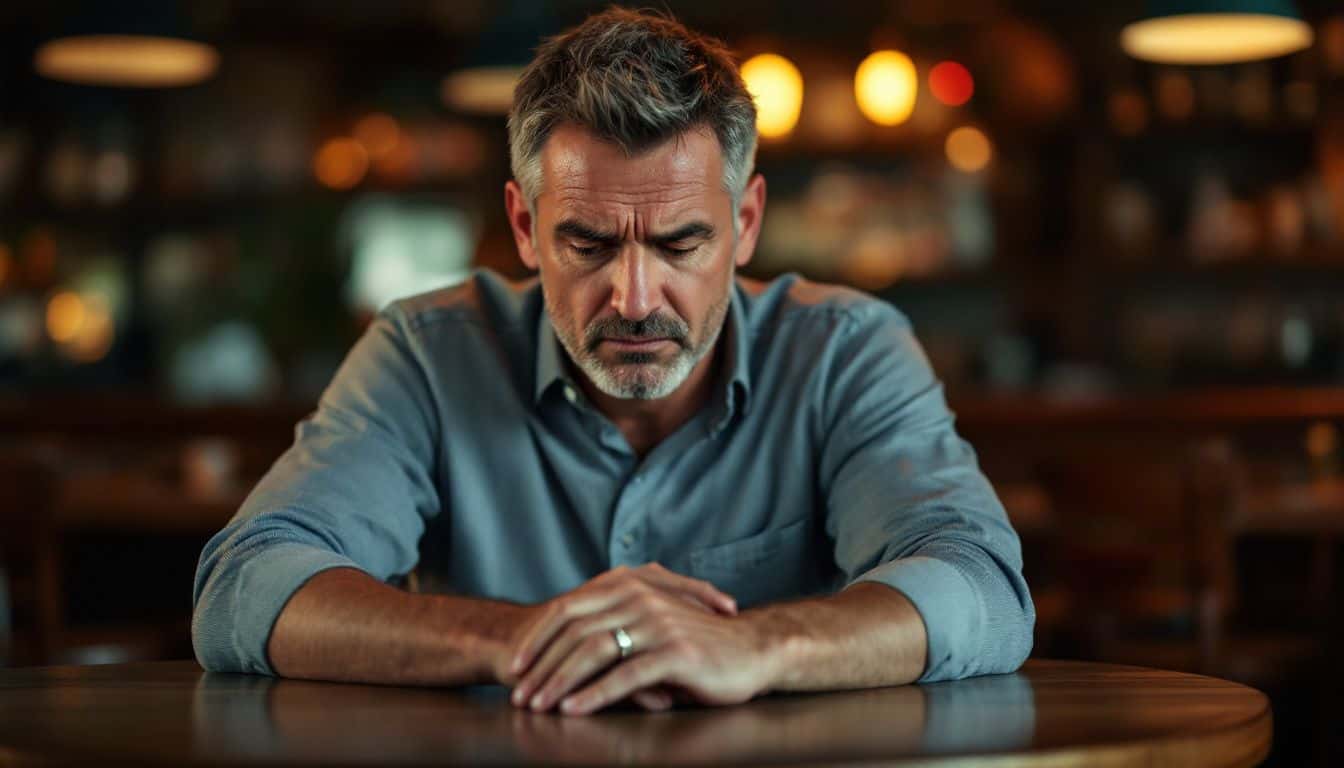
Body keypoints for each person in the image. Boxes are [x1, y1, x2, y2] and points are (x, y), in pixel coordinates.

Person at [192, 7, 1033, 716]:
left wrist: (755, 646)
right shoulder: (426, 353)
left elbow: (980, 586)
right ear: (525, 227)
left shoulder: (847, 352)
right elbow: (247, 587)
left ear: (745, 224)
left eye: (680, 244)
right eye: (588, 243)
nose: (634, 297)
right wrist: (533, 637)